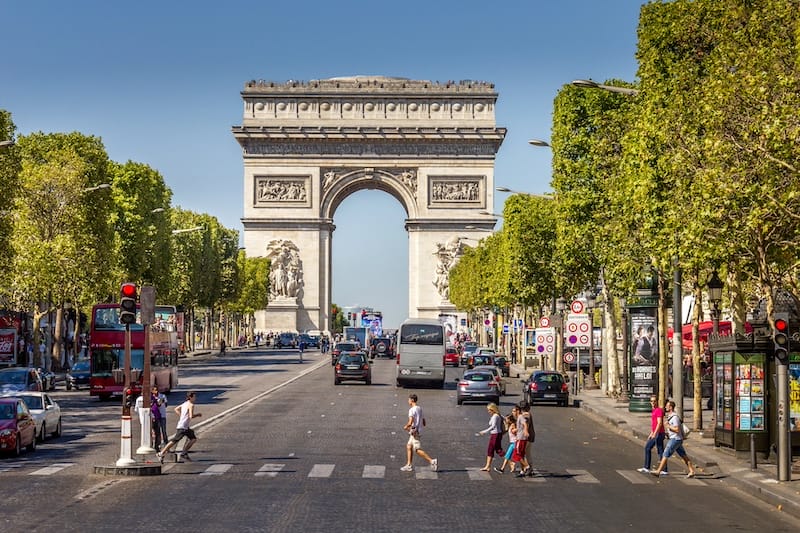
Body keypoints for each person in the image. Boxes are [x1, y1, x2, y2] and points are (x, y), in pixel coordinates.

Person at [651, 400, 696, 478]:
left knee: (665, 454)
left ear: (670, 407)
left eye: (667, 406)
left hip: (675, 439)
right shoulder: (670, 416)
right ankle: (691, 471)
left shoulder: (674, 417)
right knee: (683, 455)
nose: (665, 407)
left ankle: (658, 471)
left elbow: (677, 429)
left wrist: (668, 426)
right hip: (676, 438)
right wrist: (668, 433)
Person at [158, 392, 202, 463]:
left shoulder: (185, 403)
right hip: (183, 426)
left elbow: (176, 409)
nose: (195, 398)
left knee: (193, 439)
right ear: (190, 397)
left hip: (185, 426)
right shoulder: (191, 405)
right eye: (194, 397)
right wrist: (198, 415)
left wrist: (181, 416)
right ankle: (161, 453)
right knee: (174, 440)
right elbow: (191, 416)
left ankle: (184, 453)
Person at [401, 393, 438, 472]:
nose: (408, 401)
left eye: (409, 400)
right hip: (417, 430)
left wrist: (406, 426)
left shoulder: (411, 410)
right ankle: (409, 465)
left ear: (412, 400)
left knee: (417, 449)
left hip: (415, 432)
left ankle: (432, 461)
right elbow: (424, 422)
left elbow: (410, 422)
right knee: (409, 446)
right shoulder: (420, 408)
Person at [638, 395, 668, 475]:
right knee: (660, 450)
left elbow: (659, 423)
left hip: (659, 433)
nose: (653, 403)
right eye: (651, 401)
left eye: (654, 401)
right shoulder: (654, 410)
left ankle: (647, 467)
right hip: (656, 433)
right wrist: (651, 433)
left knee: (649, 448)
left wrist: (655, 433)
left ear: (657, 401)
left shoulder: (658, 410)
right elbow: (654, 424)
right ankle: (664, 469)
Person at [476, 402, 504, 471]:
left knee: (491, 450)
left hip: (495, 434)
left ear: (493, 409)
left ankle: (487, 466)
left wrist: (484, 431)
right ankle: (510, 462)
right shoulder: (498, 415)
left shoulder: (495, 416)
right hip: (497, 434)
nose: (488, 411)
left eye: (489, 410)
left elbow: (493, 426)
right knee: (498, 450)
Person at [512, 404, 531, 477]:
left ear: (518, 411)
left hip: (521, 438)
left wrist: (526, 431)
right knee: (521, 455)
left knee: (517, 454)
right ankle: (522, 471)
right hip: (521, 438)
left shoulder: (520, 417)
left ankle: (527, 467)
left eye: (514, 411)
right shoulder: (520, 417)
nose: (513, 413)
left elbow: (525, 424)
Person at [150, 385, 168, 451]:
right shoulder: (151, 398)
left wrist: (160, 402)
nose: (156, 391)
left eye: (157, 390)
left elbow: (165, 404)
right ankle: (156, 445)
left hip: (162, 415)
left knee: (163, 430)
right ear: (152, 391)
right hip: (155, 416)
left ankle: (166, 444)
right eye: (154, 390)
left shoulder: (162, 396)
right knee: (156, 432)